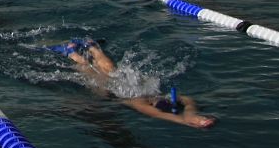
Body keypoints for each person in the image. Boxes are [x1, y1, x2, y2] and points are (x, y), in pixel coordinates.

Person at [53, 39, 214, 128]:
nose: (161, 98)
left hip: (115, 91)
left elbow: (163, 112)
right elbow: (171, 109)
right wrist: (187, 118)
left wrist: (188, 117)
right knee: (100, 73)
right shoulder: (142, 100)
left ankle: (85, 50)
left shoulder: (141, 100)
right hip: (113, 91)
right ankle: (81, 53)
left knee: (106, 71)